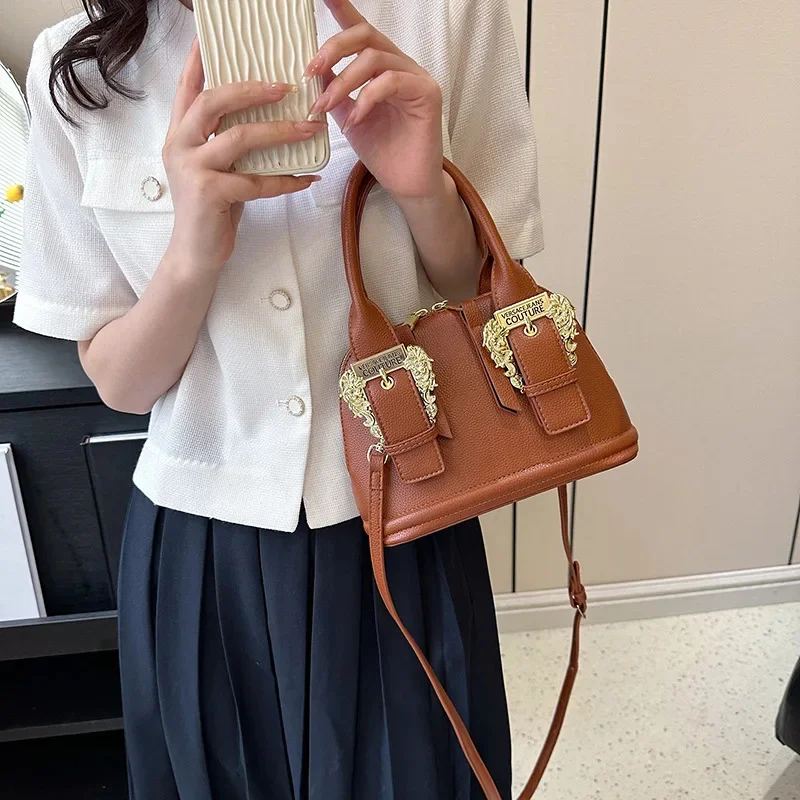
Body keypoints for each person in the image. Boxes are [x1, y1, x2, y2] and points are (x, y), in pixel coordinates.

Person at [15, 0, 543, 796]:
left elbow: (487, 298)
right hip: (202, 553)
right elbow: (122, 384)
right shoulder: (80, 68)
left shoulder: (443, 14)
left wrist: (423, 192)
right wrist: (192, 252)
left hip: (409, 513)